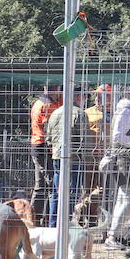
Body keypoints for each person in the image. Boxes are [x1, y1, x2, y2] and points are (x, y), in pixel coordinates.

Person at [45, 93, 92, 227]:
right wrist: (88, 160)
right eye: (83, 97)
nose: (84, 100)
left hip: (57, 157)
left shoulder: (55, 113)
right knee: (73, 192)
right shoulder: (80, 113)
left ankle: (54, 225)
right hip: (74, 158)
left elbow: (48, 138)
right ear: (77, 97)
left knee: (56, 192)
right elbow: (85, 140)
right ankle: (66, 225)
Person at [105, 85, 130, 247]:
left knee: (123, 198)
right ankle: (112, 236)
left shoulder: (124, 109)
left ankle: (115, 233)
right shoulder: (127, 111)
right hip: (125, 160)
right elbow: (118, 135)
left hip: (124, 158)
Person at [28, 85, 62, 222]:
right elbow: (49, 130)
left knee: (43, 185)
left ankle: (39, 218)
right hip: (42, 147)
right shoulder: (44, 105)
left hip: (45, 146)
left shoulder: (55, 102)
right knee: (49, 183)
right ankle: (37, 219)